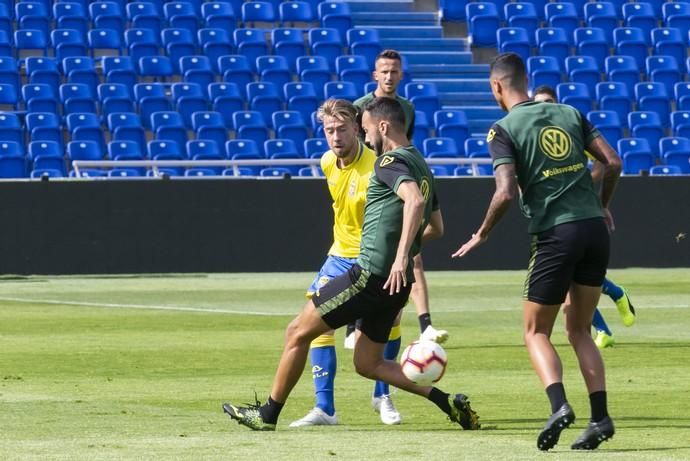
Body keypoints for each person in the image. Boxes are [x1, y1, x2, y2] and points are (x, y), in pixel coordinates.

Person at [223, 97, 480, 432]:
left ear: (381, 126)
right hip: (393, 284)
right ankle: (448, 403)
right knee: (367, 363)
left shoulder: (385, 161)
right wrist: (400, 253)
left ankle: (268, 414)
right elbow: (437, 228)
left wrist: (399, 255)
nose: (363, 132)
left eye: (364, 127)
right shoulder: (420, 162)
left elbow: (414, 201)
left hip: (367, 275)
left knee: (296, 331)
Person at [452, 53, 621, 451]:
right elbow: (612, 162)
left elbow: (506, 191)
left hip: (556, 234)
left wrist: (482, 233)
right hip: (595, 230)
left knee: (534, 331)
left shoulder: (502, 130)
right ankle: (600, 418)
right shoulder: (569, 113)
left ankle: (559, 405)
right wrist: (603, 204)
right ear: (525, 82)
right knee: (579, 329)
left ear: (496, 87)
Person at [289, 99, 397, 427]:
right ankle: (325, 408)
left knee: (387, 325)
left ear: (357, 129)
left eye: (341, 129)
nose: (335, 137)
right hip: (338, 257)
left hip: (372, 260)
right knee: (314, 324)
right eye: (329, 130)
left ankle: (383, 396)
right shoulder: (326, 163)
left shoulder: (379, 168)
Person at [350, 48, 448, 345]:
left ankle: (424, 324)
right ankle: (353, 326)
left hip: (398, 179)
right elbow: (360, 145)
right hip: (373, 181)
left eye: (395, 71)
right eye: (385, 71)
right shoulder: (361, 106)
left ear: (401, 74)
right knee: (366, 252)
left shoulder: (407, 108)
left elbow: (403, 145)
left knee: (408, 259)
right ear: (375, 75)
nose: (390, 76)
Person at [532, 85, 637, 349]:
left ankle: (606, 316)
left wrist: (589, 183)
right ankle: (610, 306)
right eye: (539, 103)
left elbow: (606, 160)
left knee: (569, 279)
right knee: (570, 282)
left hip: (574, 212)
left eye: (548, 101)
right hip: (551, 213)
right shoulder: (533, 133)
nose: (544, 106)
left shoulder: (570, 129)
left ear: (557, 103)